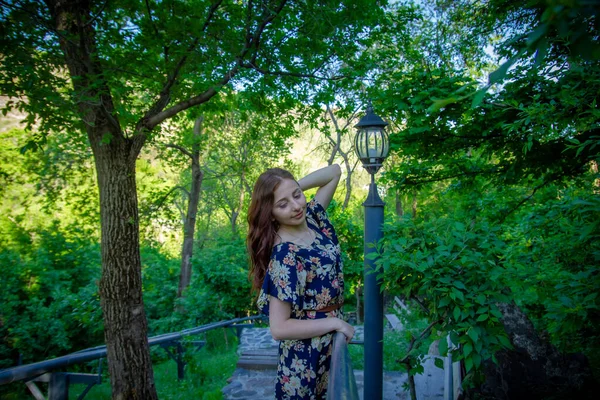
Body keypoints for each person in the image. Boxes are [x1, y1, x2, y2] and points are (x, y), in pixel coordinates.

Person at [247, 164, 355, 400]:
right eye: (282, 205)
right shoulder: (286, 254)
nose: (296, 206)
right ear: (271, 212)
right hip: (304, 361)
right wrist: (335, 323)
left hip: (328, 348)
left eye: (297, 195)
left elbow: (334, 171)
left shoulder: (313, 218)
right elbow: (279, 328)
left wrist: (288, 189)